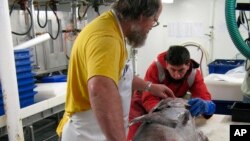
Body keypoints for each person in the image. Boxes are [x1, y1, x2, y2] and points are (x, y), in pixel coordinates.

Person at [56, 0, 175, 141]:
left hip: (100, 131)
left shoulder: (113, 29)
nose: (151, 26)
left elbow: (121, 75)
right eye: (154, 20)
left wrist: (149, 86)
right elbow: (100, 90)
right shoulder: (107, 38)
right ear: (142, 15)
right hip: (88, 133)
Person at [127, 45, 216, 140]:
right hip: (142, 104)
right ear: (166, 64)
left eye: (181, 70)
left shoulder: (194, 74)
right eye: (172, 69)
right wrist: (162, 112)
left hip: (170, 108)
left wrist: (205, 106)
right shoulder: (156, 68)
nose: (177, 75)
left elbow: (207, 102)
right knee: (135, 136)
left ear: (188, 65)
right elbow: (149, 98)